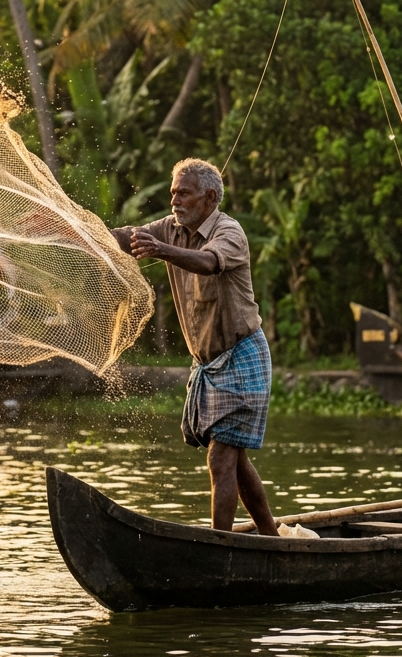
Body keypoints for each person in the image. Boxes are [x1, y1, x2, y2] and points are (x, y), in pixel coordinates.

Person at [112, 158, 279, 535]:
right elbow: (125, 237)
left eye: (183, 193)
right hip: (208, 363)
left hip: (241, 355)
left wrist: (160, 251)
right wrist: (71, 229)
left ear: (210, 198)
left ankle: (220, 545)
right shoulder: (170, 229)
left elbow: (207, 262)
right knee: (235, 462)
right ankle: (271, 536)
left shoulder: (229, 231)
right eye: (173, 192)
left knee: (221, 459)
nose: (174, 200)